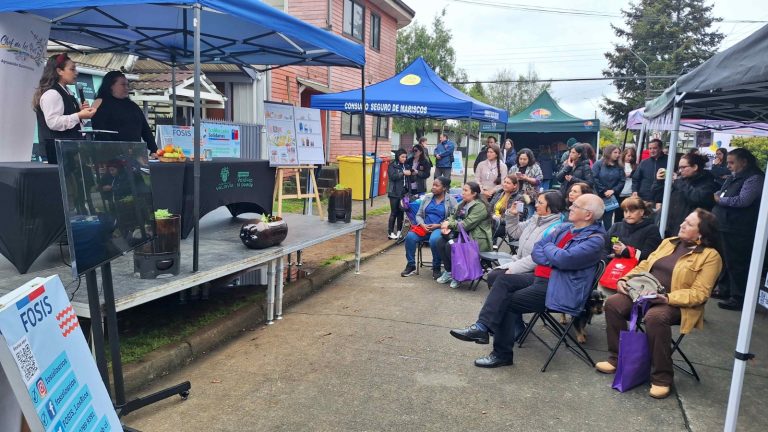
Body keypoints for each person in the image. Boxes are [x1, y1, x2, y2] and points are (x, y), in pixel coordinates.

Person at [450, 194, 606, 368]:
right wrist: (553, 255)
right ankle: (481, 327)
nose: (570, 207)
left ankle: (502, 355)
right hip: (542, 277)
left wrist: (550, 250)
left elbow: (562, 258)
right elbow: (538, 251)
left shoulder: (595, 241)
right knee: (502, 279)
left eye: (576, 206)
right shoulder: (565, 228)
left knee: (506, 302)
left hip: (560, 288)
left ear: (588, 215)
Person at [597, 209, 722, 399]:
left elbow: (700, 293)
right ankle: (617, 359)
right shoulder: (668, 242)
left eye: (689, 224)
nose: (682, 225)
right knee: (613, 303)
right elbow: (644, 266)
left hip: (677, 304)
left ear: (701, 233)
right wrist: (625, 279)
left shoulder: (710, 256)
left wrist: (667, 298)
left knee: (655, 317)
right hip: (644, 293)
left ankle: (662, 377)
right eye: (684, 221)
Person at [713, 148, 765, 311]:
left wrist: (721, 200)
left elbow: (743, 200)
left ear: (744, 162)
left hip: (740, 227)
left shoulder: (754, 178)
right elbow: (722, 191)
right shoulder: (735, 176)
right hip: (727, 224)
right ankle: (725, 290)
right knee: (727, 260)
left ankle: (738, 297)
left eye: (731, 162)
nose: (728, 166)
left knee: (737, 262)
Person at [32, 53, 96, 164]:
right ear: (59, 71)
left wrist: (82, 114)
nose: (76, 73)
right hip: (56, 154)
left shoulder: (67, 92)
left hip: (68, 152)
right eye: (72, 69)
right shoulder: (52, 93)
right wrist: (79, 115)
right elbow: (53, 122)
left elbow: (75, 123)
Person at [435, 182, 494, 289]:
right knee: (440, 242)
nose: (463, 193)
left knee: (450, 245)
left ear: (474, 193)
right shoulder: (463, 203)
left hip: (476, 238)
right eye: (463, 190)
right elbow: (452, 216)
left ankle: (459, 275)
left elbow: (466, 224)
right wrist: (446, 225)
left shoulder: (480, 206)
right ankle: (449, 271)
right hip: (461, 235)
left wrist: (449, 224)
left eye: (466, 190)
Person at [600, 197, 663, 296]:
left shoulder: (651, 230)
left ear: (642, 212)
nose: (628, 214)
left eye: (632, 211)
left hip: (634, 278)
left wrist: (626, 251)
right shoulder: (616, 226)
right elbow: (604, 249)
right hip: (610, 273)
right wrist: (606, 264)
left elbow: (650, 256)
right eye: (625, 211)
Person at [401, 177, 458, 278]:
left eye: (437, 185)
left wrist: (439, 225)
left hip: (439, 228)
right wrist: (422, 224)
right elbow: (418, 215)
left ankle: (436, 267)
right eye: (433, 185)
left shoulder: (451, 201)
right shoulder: (427, 198)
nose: (433, 187)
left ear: (444, 188)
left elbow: (454, 219)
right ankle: (411, 265)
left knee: (434, 240)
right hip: (424, 227)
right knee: (410, 237)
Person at [91, 70, 159, 156]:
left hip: (134, 155)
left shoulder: (133, 106)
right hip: (110, 155)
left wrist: (154, 150)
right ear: (111, 86)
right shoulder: (100, 103)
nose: (127, 88)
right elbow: (100, 131)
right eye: (123, 85)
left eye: (127, 85)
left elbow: (146, 130)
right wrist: (116, 151)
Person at [652, 151, 718, 238]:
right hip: (668, 226)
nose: (680, 170)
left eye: (683, 167)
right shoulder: (680, 180)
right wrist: (659, 182)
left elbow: (697, 198)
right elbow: (658, 197)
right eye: (679, 167)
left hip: (686, 229)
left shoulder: (707, 182)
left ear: (695, 167)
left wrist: (678, 182)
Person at [592, 144, 625, 230]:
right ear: (609, 152)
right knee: (596, 219)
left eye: (619, 153)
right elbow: (594, 178)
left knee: (608, 220)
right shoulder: (598, 164)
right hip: (599, 196)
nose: (617, 154)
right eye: (615, 152)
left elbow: (622, 180)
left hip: (611, 197)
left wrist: (613, 190)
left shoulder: (620, 166)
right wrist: (603, 190)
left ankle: (608, 237)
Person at [489, 174, 525, 242]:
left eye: (508, 183)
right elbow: (489, 208)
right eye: (504, 182)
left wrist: (499, 219)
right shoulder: (498, 193)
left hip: (505, 225)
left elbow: (519, 217)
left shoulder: (519, 198)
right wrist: (492, 216)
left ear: (515, 185)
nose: (505, 184)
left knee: (488, 231)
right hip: (492, 220)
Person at [632, 139, 668, 203]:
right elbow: (636, 179)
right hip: (645, 198)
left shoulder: (669, 161)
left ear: (660, 148)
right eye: (650, 148)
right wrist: (635, 190)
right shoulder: (644, 163)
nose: (652, 151)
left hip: (662, 199)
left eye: (654, 148)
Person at [386, 149, 410, 240]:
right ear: (397, 157)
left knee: (401, 212)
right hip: (394, 192)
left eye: (405, 157)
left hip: (403, 192)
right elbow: (392, 177)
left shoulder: (406, 165)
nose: (404, 159)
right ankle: (390, 232)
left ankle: (399, 231)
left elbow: (409, 178)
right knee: (394, 212)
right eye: (402, 157)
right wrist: (402, 173)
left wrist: (412, 173)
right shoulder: (392, 165)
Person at [615, 147, 637, 223]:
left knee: (628, 213)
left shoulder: (635, 166)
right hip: (620, 192)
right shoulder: (619, 165)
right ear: (624, 155)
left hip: (630, 193)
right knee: (618, 214)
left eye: (632, 156)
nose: (630, 158)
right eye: (628, 156)